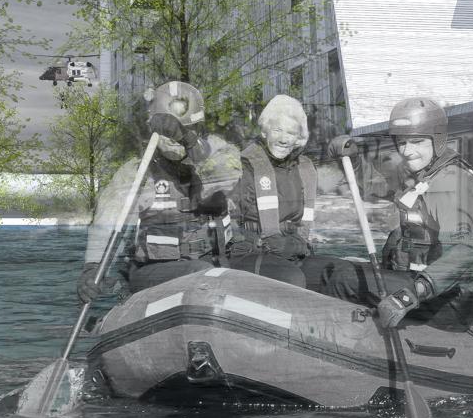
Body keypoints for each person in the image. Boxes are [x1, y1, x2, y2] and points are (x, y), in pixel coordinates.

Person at [316, 97, 473, 330]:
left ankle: (337, 343)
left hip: (452, 298)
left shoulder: (449, 181)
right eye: (401, 142)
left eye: (417, 142)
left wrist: (408, 295)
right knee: (328, 269)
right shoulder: (425, 173)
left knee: (344, 279)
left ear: (438, 140)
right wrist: (353, 162)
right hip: (429, 287)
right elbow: (379, 187)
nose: (407, 151)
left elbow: (464, 253)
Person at [77, 81, 240, 301]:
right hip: (153, 271)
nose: (175, 140)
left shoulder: (217, 156)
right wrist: (92, 267)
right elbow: (107, 222)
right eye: (168, 133)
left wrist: (187, 139)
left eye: (186, 129)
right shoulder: (136, 174)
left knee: (218, 273)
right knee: (201, 273)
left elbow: (227, 175)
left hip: (214, 265)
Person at [225, 95, 326, 289]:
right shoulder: (242, 166)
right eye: (277, 130)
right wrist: (255, 242)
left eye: (290, 132)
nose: (283, 138)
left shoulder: (303, 167)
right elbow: (228, 221)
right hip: (252, 252)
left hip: (293, 248)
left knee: (336, 273)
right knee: (292, 278)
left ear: (299, 138)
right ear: (264, 131)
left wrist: (298, 244)